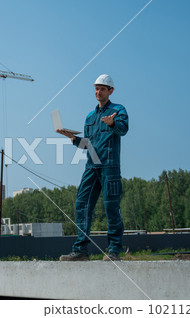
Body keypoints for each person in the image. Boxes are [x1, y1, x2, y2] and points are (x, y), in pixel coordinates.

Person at [57, 74, 129, 261]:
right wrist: (72, 138)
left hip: (109, 167)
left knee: (111, 207)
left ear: (110, 91)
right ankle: (81, 250)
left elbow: (123, 130)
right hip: (92, 166)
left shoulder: (118, 110)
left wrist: (112, 122)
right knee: (82, 204)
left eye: (102, 89)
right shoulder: (90, 117)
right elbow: (87, 145)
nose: (98, 92)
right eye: (96, 88)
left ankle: (113, 250)